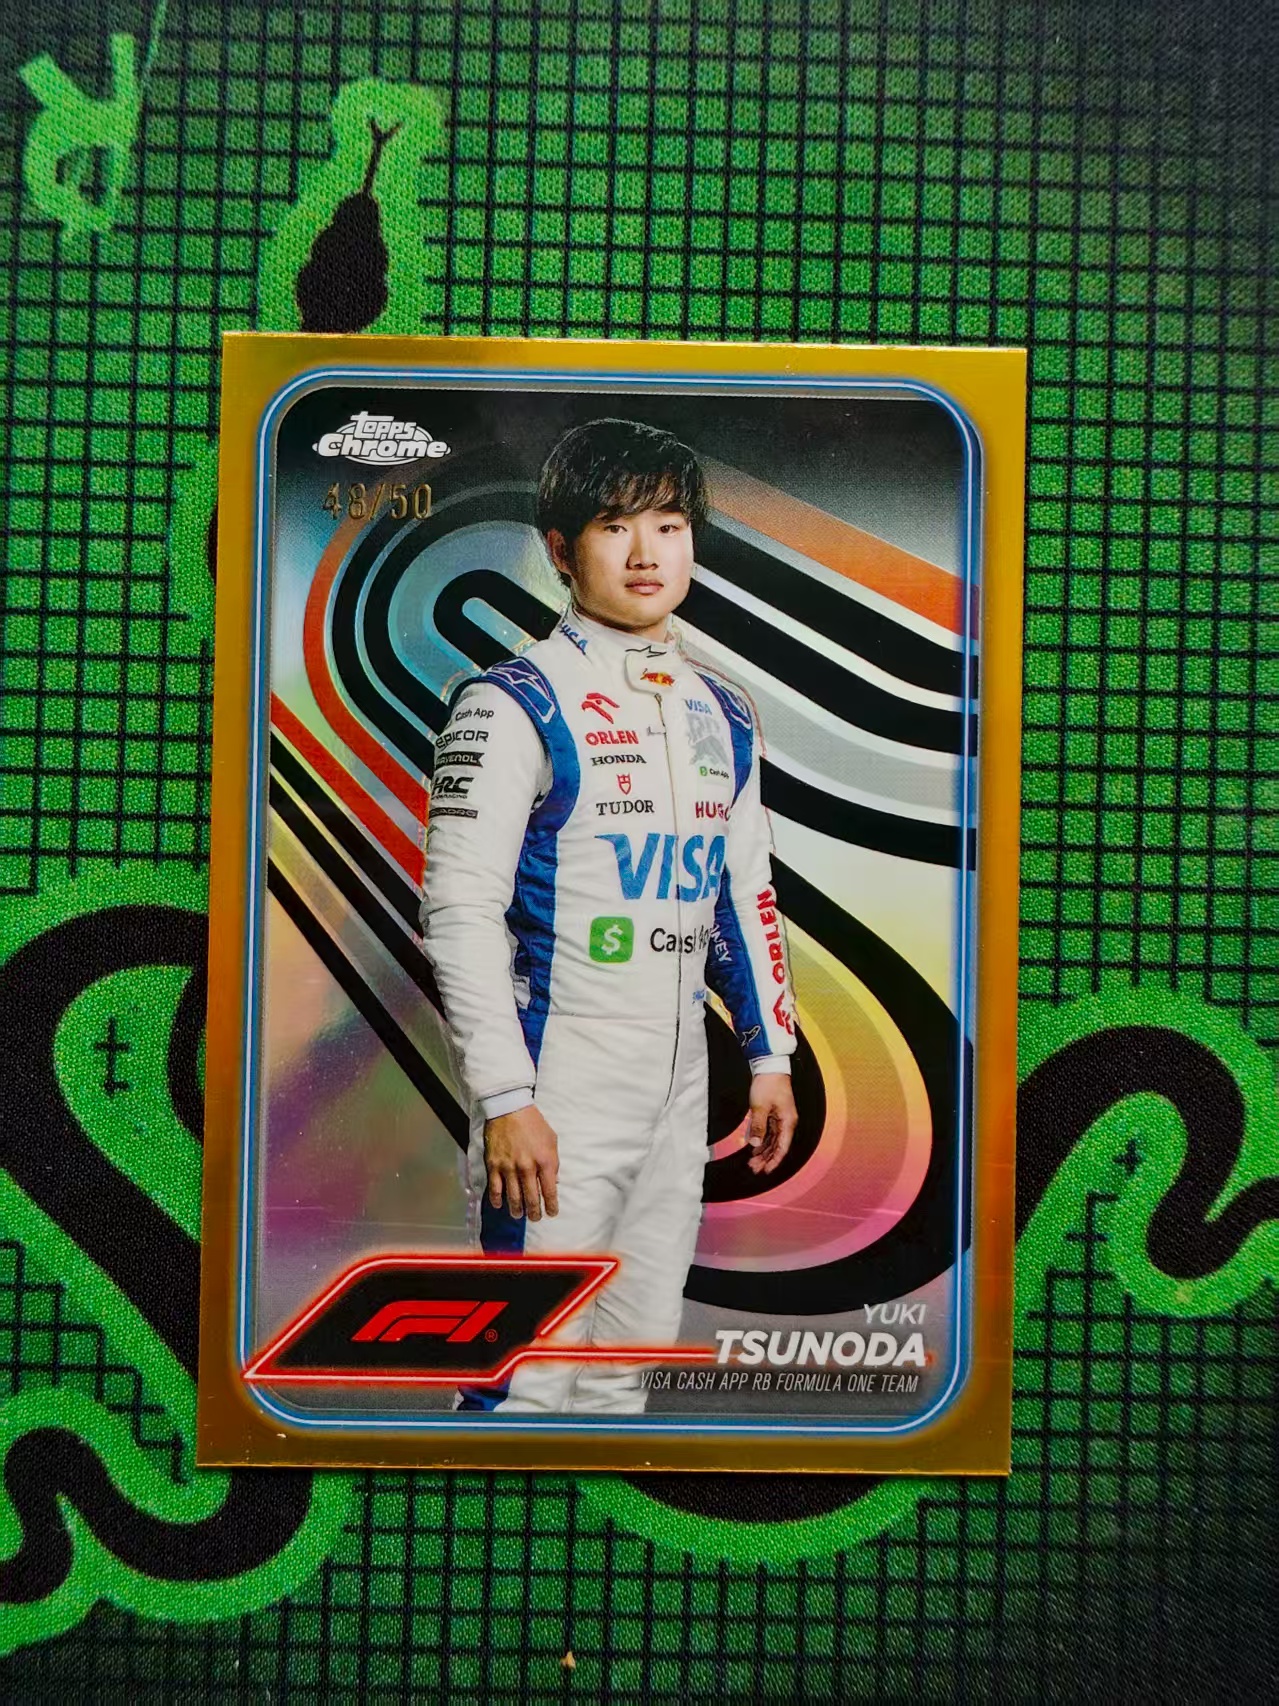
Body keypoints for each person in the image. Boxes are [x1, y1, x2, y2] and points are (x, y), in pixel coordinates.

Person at [419, 417, 798, 1413]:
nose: (644, 553)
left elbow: (741, 892)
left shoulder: (723, 711)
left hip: (680, 1085)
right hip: (560, 1085)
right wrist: (507, 1099)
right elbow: (458, 908)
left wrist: (769, 1057)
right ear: (559, 547)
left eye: (667, 525)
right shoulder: (510, 703)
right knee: (524, 1383)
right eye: (614, 525)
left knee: (622, 1376)